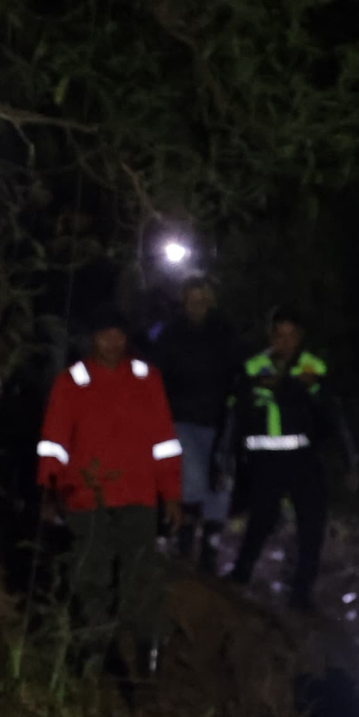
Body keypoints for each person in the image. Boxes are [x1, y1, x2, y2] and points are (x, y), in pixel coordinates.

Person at [37, 307, 182, 677]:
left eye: (118, 334)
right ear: (92, 338)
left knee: (140, 579)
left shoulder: (146, 378)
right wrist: (50, 491)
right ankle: (92, 658)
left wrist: (172, 494)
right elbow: (54, 442)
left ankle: (146, 663)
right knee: (90, 578)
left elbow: (164, 441)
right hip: (85, 498)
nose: (112, 342)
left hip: (138, 497)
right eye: (104, 334)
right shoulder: (72, 381)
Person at [229, 308, 330, 612]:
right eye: (279, 335)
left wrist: (293, 388)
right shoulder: (254, 366)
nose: (284, 342)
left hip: (303, 458)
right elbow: (239, 410)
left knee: (311, 525)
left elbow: (327, 410)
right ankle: (240, 575)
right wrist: (233, 455)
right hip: (265, 459)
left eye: (291, 335)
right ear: (270, 335)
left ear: (299, 337)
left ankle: (301, 594)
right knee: (260, 520)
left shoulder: (313, 367)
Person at [151, 278, 239, 568]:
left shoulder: (223, 332)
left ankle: (210, 549)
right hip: (182, 418)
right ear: (184, 301)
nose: (196, 306)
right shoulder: (172, 333)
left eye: (202, 300)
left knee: (220, 485)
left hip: (217, 420)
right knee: (193, 480)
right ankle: (185, 540)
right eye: (191, 300)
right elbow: (158, 371)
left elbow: (238, 369)